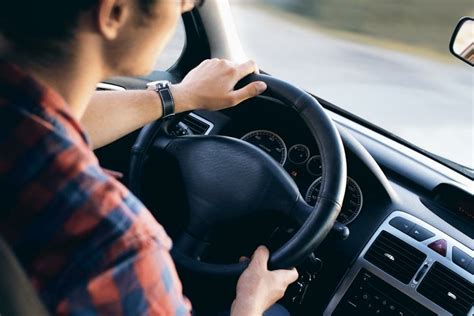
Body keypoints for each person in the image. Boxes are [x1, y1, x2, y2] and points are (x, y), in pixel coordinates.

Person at [0, 0, 298, 315]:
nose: (185, 8)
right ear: (113, 12)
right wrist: (250, 303)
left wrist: (181, 96)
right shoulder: (116, 247)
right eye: (181, 0)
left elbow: (53, 119)